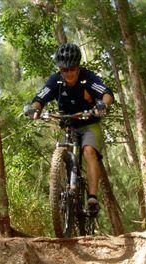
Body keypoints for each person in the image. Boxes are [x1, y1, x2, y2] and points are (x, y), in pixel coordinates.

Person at [29, 43, 114, 214]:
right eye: (64, 70)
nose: (68, 73)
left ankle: (92, 198)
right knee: (62, 151)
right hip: (69, 125)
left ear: (78, 66)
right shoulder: (56, 80)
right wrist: (35, 108)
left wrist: (102, 105)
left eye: (72, 69)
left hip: (89, 123)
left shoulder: (88, 78)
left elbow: (107, 93)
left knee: (89, 151)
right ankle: (67, 185)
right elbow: (41, 97)